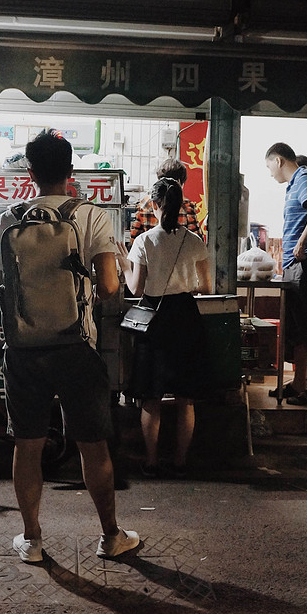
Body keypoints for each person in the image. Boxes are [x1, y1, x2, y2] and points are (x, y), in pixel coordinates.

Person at [0, 130, 140, 563]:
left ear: (30, 172)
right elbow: (109, 285)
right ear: (71, 171)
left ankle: (32, 540)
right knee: (93, 444)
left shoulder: (7, 219)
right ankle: (110, 535)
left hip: (23, 349)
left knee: (27, 445)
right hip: (76, 347)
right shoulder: (89, 216)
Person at [115, 177, 212, 479]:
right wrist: (182, 286)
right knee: (185, 398)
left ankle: (152, 461)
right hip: (186, 317)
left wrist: (122, 261)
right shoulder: (195, 241)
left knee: (151, 396)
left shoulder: (144, 241)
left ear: (155, 206)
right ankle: (181, 461)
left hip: (154, 320)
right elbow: (207, 287)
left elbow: (135, 288)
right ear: (181, 206)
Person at [265, 142, 307, 406]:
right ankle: (299, 382)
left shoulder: (304, 176)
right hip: (295, 265)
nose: (270, 172)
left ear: (279, 160)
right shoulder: (293, 185)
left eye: (269, 165)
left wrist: (302, 241)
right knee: (301, 328)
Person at [129, 158, 203, 241]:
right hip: (178, 253)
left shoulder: (145, 204)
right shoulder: (186, 206)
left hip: (151, 252)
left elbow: (134, 238)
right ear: (180, 183)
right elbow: (197, 241)